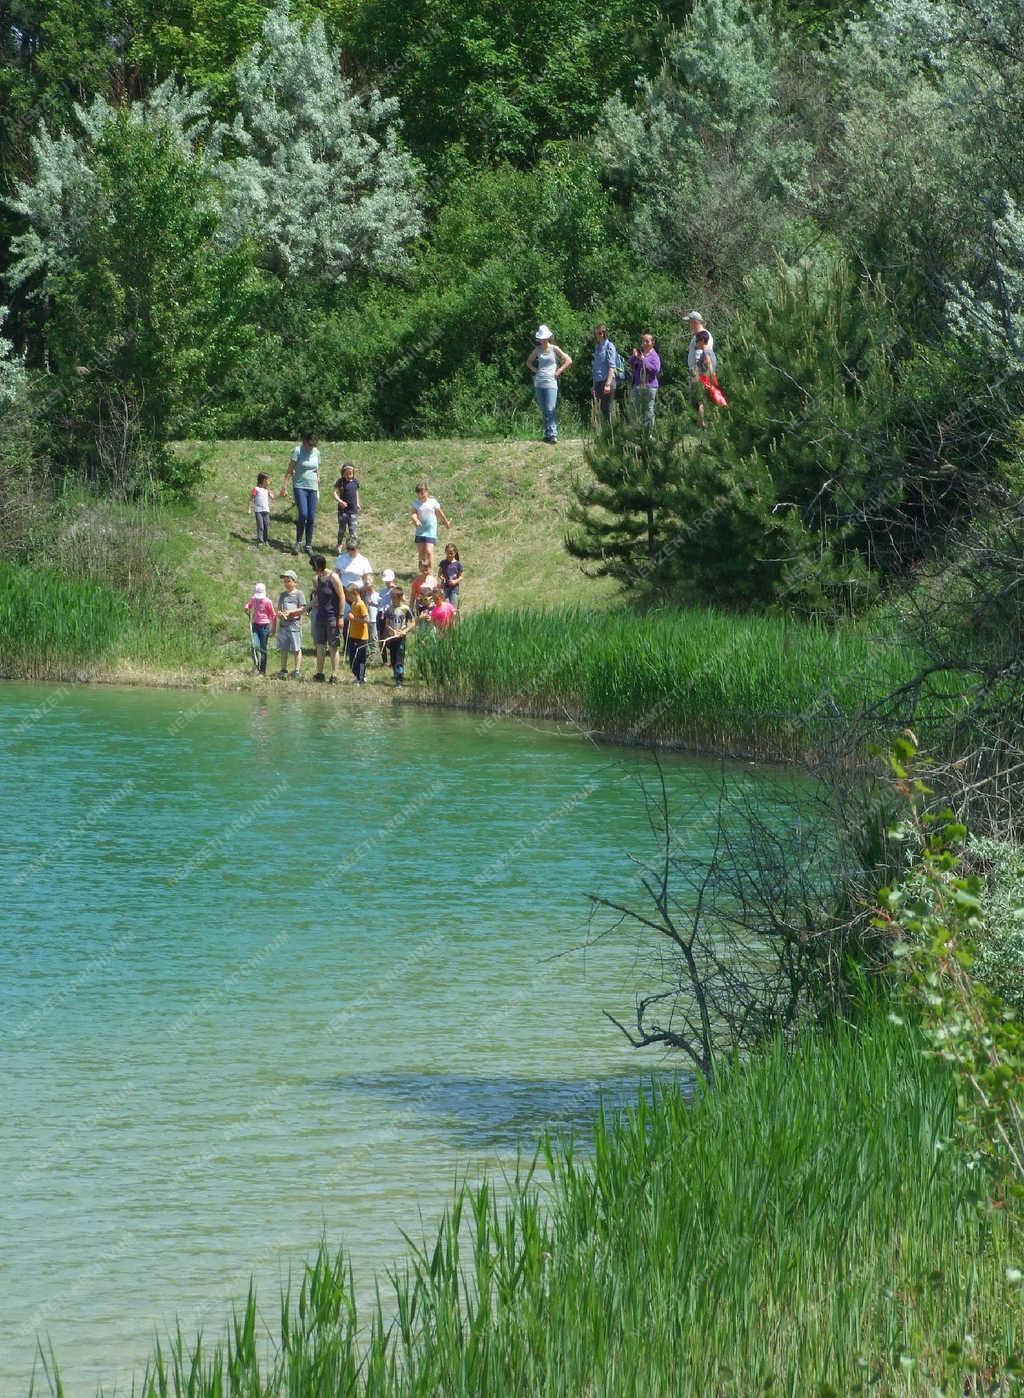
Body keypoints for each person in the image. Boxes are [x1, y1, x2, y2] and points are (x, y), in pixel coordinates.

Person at [526, 324, 572, 444]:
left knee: (550, 408)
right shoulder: (537, 350)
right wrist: (536, 371)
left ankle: (553, 434)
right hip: (539, 382)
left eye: (544, 337)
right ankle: (547, 434)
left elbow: (568, 360)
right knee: (544, 409)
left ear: (548, 337)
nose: (543, 340)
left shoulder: (554, 348)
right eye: (541, 338)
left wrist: (558, 371)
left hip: (551, 382)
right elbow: (529, 362)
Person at [280, 431, 320, 555]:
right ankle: (298, 542)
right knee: (303, 513)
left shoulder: (317, 452)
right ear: (304, 441)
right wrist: (284, 486)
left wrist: (318, 481)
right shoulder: (297, 451)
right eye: (309, 444)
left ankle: (308, 545)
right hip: (300, 486)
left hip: (313, 487)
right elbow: (289, 470)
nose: (311, 447)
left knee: (311, 516)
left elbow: (317, 469)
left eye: (313, 445)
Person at [309, 554, 344, 683]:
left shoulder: (333, 577)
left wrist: (340, 617)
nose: (313, 568)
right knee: (320, 645)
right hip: (320, 616)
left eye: (313, 566)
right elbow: (317, 598)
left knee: (333, 646)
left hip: (332, 617)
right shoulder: (316, 579)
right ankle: (320, 673)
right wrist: (305, 608)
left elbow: (342, 597)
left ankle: (334, 675)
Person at [412, 482, 451, 572]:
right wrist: (416, 520)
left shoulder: (432, 502)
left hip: (430, 530)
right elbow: (413, 514)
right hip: (420, 531)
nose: (420, 496)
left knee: (429, 551)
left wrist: (446, 523)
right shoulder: (415, 503)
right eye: (418, 494)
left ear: (427, 492)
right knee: (421, 552)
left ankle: (430, 572)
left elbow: (440, 513)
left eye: (422, 493)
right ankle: (422, 572)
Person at [274, 569, 306, 679]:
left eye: (288, 581)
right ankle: (283, 670)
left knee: (296, 648)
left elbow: (303, 609)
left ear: (294, 582)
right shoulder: (282, 595)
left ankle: (297, 670)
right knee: (284, 648)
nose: (286, 584)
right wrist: (279, 613)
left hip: (294, 625)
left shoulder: (299, 594)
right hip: (283, 625)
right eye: (285, 581)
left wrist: (291, 612)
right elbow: (279, 609)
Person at [381, 585, 414, 687]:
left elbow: (412, 622)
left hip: (401, 638)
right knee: (393, 658)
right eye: (391, 598)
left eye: (394, 598)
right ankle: (396, 674)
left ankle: (399, 680)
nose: (392, 600)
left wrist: (405, 631)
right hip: (392, 638)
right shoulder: (389, 609)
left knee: (399, 659)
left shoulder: (405, 609)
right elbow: (386, 624)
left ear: (400, 598)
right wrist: (392, 631)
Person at [686, 312, 715, 426]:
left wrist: (702, 373)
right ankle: (700, 423)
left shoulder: (705, 335)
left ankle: (704, 423)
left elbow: (707, 355)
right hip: (695, 372)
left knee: (700, 399)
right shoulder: (695, 337)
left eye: (689, 322)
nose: (688, 324)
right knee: (696, 400)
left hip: (701, 373)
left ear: (695, 322)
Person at [630, 332, 661, 429]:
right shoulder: (641, 354)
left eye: (647, 341)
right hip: (637, 386)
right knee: (637, 409)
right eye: (643, 341)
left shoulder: (654, 356)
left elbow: (655, 369)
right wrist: (634, 356)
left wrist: (643, 359)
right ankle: (639, 432)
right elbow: (630, 363)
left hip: (649, 386)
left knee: (648, 410)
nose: (645, 343)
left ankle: (648, 433)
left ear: (652, 343)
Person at [244, 583, 276, 675]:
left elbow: (273, 615)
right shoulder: (254, 599)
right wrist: (246, 607)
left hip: (264, 627)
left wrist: (273, 629)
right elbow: (249, 605)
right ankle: (256, 666)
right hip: (255, 626)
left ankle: (262, 671)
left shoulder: (267, 602)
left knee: (263, 650)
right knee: (254, 646)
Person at [590, 324, 618, 426]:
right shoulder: (597, 347)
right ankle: (602, 436)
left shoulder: (610, 346)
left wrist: (607, 384)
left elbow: (612, 366)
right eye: (596, 333)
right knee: (599, 411)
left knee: (608, 411)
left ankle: (611, 436)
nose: (598, 335)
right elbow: (596, 368)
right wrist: (593, 385)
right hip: (598, 382)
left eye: (600, 333)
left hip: (607, 382)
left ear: (604, 333)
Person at [693, 329, 719, 429]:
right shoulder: (710, 351)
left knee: (702, 402)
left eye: (697, 341)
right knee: (708, 402)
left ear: (703, 340)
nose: (696, 343)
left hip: (706, 379)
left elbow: (709, 365)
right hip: (708, 378)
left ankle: (702, 423)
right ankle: (707, 422)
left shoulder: (706, 353)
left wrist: (710, 380)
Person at [345, 584, 370, 684]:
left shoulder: (361, 604)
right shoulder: (354, 604)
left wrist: (353, 618)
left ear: (355, 593)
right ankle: (356, 675)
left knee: (360, 658)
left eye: (349, 595)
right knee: (353, 658)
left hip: (361, 637)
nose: (348, 597)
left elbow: (366, 620)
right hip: (353, 635)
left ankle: (361, 677)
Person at [333, 462, 361, 546]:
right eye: (347, 473)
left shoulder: (355, 481)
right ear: (343, 473)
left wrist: (358, 503)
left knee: (353, 531)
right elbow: (334, 492)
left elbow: (356, 492)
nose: (349, 475)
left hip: (353, 511)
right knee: (342, 530)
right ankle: (339, 544)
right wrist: (340, 501)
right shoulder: (340, 482)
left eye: (351, 473)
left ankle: (353, 548)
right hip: (343, 511)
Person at [376, 567, 396, 657]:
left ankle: (393, 657)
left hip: (390, 614)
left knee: (390, 637)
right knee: (380, 637)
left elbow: (401, 599)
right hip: (381, 614)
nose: (387, 582)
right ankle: (384, 660)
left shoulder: (395, 590)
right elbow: (379, 603)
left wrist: (394, 588)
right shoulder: (382, 591)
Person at [248, 472, 271, 548]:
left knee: (266, 526)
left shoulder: (267, 490)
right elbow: (251, 499)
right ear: (263, 480)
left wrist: (281, 494)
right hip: (258, 511)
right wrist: (249, 509)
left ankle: (265, 540)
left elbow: (273, 497)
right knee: (260, 526)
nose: (269, 482)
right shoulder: (256, 489)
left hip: (266, 511)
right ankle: (260, 541)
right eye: (268, 480)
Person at [439, 543, 463, 609]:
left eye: (451, 553)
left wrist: (455, 581)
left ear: (455, 553)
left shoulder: (458, 564)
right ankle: (447, 619)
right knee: (446, 607)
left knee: (453, 608)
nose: (449, 555)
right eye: (447, 553)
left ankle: (453, 619)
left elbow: (461, 577)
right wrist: (442, 578)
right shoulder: (443, 563)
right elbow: (439, 574)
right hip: (445, 587)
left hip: (454, 589)